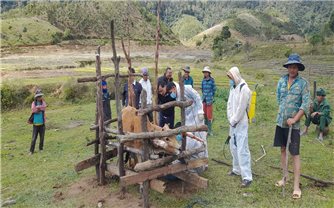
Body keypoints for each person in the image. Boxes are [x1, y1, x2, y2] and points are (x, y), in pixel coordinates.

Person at [274, 54, 310, 199]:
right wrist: (284, 113)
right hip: (280, 123)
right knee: (283, 149)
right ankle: (284, 177)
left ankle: (296, 186)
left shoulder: (303, 83)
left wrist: (295, 118)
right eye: (290, 66)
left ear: (298, 68)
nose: (292, 69)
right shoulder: (282, 81)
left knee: (294, 154)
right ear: (288, 67)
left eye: (295, 67)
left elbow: (306, 104)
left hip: (293, 126)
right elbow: (279, 98)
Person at [167, 82, 208, 164]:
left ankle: (204, 158)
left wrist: (200, 111)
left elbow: (197, 97)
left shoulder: (186, 88)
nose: (171, 94)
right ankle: (194, 157)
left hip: (196, 115)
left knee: (201, 136)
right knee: (191, 138)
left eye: (170, 91)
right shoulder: (178, 96)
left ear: (174, 88)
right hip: (188, 119)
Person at [227, 66, 252, 187]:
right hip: (232, 123)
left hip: (241, 123)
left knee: (242, 148)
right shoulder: (233, 88)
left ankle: (247, 176)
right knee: (233, 146)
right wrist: (230, 119)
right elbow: (229, 105)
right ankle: (236, 169)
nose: (230, 80)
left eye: (231, 77)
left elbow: (241, 108)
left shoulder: (244, 88)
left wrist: (235, 119)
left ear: (235, 76)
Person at [29, 89, 47, 155]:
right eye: (39, 96)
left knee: (42, 138)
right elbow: (33, 110)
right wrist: (38, 108)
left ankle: (41, 149)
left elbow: (44, 107)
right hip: (35, 124)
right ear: (36, 97)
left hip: (42, 123)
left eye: (41, 96)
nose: (40, 98)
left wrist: (39, 108)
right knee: (34, 138)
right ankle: (31, 151)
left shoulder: (43, 102)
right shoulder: (33, 103)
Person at [201, 66, 216, 136]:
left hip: (209, 100)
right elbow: (202, 89)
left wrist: (211, 96)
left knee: (209, 115)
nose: (205, 73)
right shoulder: (203, 81)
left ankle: (210, 130)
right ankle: (205, 130)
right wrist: (204, 95)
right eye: (204, 72)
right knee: (204, 115)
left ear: (209, 73)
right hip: (204, 99)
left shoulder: (212, 80)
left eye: (206, 72)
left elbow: (214, 89)